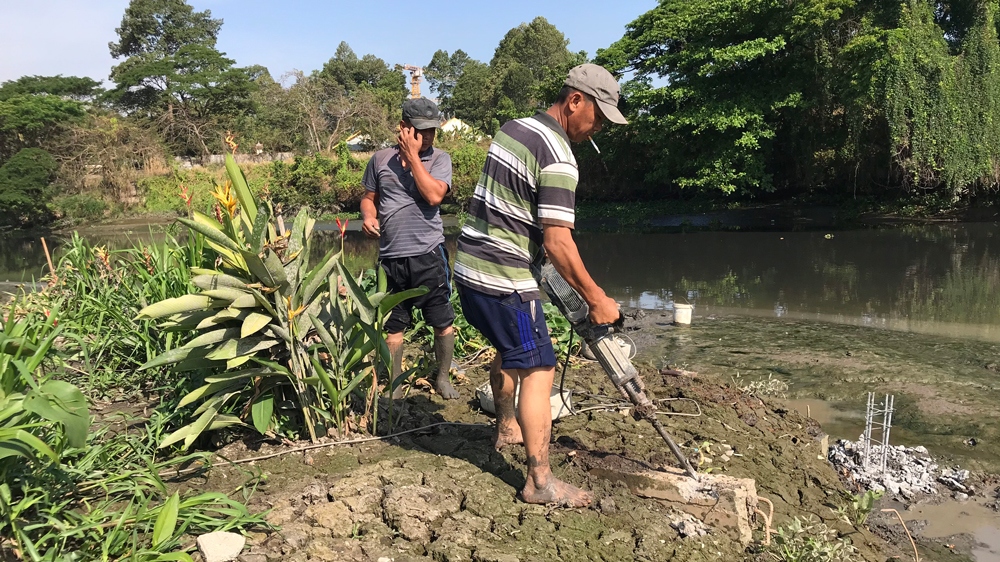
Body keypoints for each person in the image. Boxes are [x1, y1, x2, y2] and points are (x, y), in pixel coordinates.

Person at [454, 64, 628, 507]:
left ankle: (506, 427)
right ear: (575, 101)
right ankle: (540, 482)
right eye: (600, 116)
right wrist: (597, 298)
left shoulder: (515, 128)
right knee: (539, 366)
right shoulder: (560, 156)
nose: (600, 128)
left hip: (469, 271)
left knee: (511, 346)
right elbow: (557, 241)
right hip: (502, 278)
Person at [360, 98, 459, 400]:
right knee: (393, 327)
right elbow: (368, 197)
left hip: (428, 254)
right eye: (420, 130)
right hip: (392, 257)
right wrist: (368, 215)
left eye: (431, 131)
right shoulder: (379, 160)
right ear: (403, 127)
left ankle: (441, 377)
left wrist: (414, 156)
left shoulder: (440, 160)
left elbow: (433, 197)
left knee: (442, 322)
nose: (427, 136)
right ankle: (395, 381)